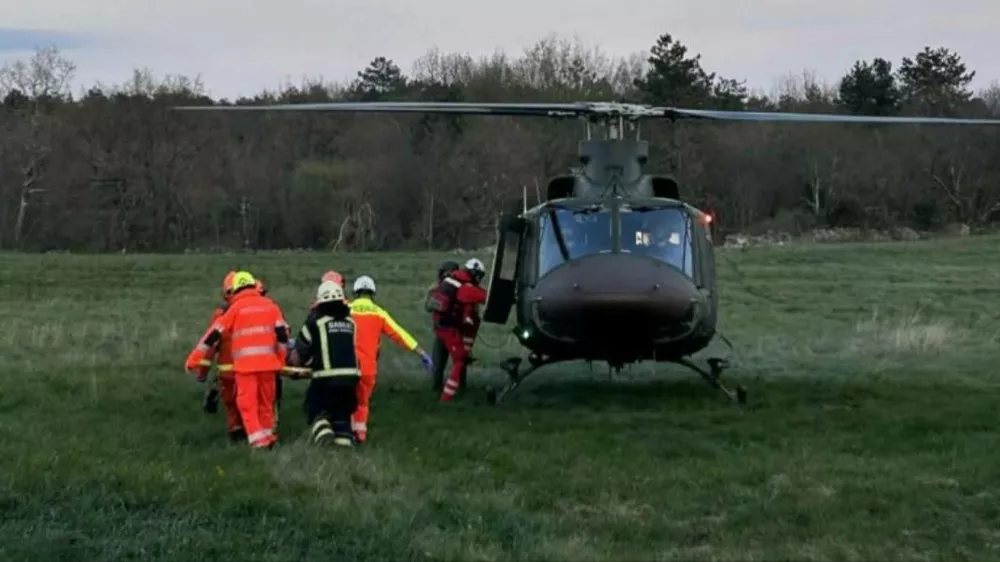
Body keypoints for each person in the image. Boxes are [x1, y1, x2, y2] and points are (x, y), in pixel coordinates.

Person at [185, 271, 290, 450]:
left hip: (245, 368)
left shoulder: (235, 308)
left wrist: (194, 358)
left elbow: (213, 336)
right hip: (268, 366)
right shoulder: (271, 306)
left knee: (247, 405)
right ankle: (268, 438)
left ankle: (259, 442)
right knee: (265, 404)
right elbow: (283, 335)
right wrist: (280, 359)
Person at [349, 274, 433, 444]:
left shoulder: (346, 309)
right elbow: (400, 334)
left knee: (344, 398)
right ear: (372, 293)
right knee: (362, 402)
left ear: (355, 292)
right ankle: (360, 434)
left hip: (345, 364)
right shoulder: (380, 314)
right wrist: (421, 352)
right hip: (368, 368)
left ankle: (342, 432)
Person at [288, 280, 361, 447]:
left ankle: (323, 431)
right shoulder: (351, 322)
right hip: (351, 378)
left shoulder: (315, 322)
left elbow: (301, 350)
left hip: (326, 377)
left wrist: (295, 364)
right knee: (341, 413)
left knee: (313, 407)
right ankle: (343, 443)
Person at [190, 271, 245, 443]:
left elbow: (210, 346)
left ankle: (236, 434)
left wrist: (202, 372)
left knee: (231, 405)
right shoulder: (256, 310)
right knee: (250, 403)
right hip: (251, 370)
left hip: (228, 373)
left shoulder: (221, 315)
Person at [431, 258, 488, 402]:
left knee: (440, 361)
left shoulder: (447, 282)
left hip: (440, 326)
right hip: (451, 328)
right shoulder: (465, 285)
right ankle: (448, 395)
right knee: (460, 359)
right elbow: (484, 297)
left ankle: (437, 387)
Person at [426, 260, 460, 393]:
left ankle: (457, 386)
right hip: (443, 330)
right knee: (439, 363)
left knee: (458, 362)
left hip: (453, 331)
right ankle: (438, 387)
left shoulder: (458, 288)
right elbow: (429, 306)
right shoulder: (437, 288)